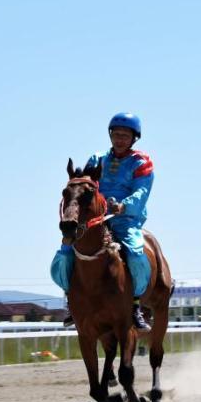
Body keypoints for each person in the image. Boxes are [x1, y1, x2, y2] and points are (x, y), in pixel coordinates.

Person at [52, 113, 154, 332]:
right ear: (110, 135)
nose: (120, 139)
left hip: (126, 219)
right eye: (116, 135)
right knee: (67, 251)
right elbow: (87, 185)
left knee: (136, 254)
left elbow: (142, 192)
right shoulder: (97, 159)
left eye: (125, 136)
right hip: (95, 218)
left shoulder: (141, 162)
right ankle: (72, 301)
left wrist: (123, 206)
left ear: (134, 138)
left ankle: (135, 305)